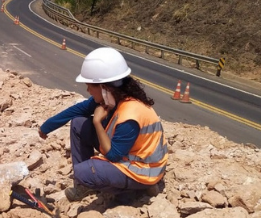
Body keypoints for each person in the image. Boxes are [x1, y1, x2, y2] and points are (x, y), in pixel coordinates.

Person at [38, 47, 168, 203]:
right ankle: (82, 187)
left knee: (83, 172)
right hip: (128, 157)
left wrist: (97, 122)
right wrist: (46, 127)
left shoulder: (130, 115)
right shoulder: (113, 98)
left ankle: (131, 191)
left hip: (144, 169)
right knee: (79, 123)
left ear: (104, 87)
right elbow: (76, 111)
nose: (87, 89)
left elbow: (113, 155)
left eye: (90, 86)